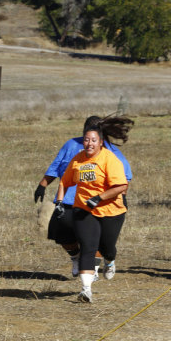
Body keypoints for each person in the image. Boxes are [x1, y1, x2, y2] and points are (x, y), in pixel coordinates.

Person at [34, 115, 132, 279]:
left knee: (93, 239)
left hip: (94, 204)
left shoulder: (109, 151)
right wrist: (42, 184)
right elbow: (57, 166)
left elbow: (125, 176)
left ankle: (91, 270)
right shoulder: (71, 144)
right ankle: (76, 258)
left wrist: (121, 194)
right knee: (62, 234)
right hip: (68, 201)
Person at [57, 121, 129, 303]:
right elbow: (64, 182)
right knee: (88, 247)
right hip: (84, 210)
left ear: (101, 142)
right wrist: (59, 202)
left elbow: (122, 185)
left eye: (93, 140)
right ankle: (86, 290)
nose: (89, 143)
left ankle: (110, 260)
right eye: (87, 140)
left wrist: (100, 197)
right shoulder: (78, 159)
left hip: (111, 210)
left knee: (107, 248)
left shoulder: (110, 159)